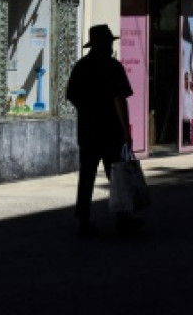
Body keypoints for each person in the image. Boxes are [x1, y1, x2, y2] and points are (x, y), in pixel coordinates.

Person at [65, 24, 141, 238]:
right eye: (109, 43)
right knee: (117, 178)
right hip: (111, 132)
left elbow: (71, 95)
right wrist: (126, 132)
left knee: (87, 177)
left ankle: (83, 221)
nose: (111, 46)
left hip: (88, 132)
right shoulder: (113, 67)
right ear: (104, 44)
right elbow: (119, 100)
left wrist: (87, 111)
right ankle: (123, 219)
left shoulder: (81, 66)